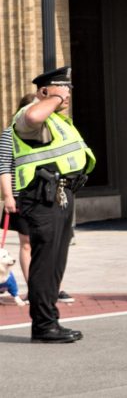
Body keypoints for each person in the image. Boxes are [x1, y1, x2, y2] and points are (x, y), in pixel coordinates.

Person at [7, 67, 95, 342]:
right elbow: (33, 115)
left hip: (60, 195)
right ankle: (43, 325)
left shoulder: (57, 120)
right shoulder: (29, 115)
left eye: (68, 90)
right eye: (61, 89)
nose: (66, 95)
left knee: (56, 261)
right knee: (45, 262)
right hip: (42, 197)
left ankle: (51, 319)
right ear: (44, 91)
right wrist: (53, 99)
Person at [0, 94, 40, 303]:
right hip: (20, 196)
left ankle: (50, 287)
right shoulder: (10, 134)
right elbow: (4, 165)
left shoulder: (44, 133)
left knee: (45, 244)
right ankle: (33, 289)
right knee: (27, 243)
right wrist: (8, 196)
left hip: (42, 195)